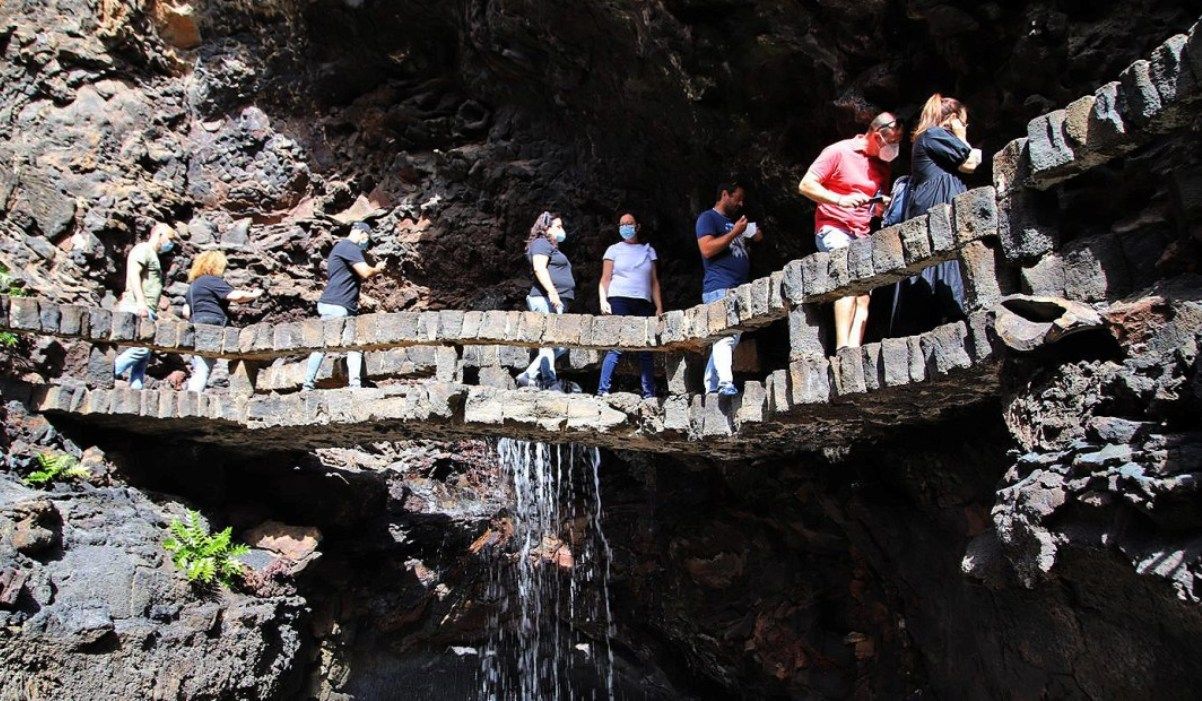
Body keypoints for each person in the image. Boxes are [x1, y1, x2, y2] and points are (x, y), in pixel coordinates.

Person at [798, 113, 901, 349]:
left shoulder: (882, 167)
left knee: (865, 291)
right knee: (847, 279)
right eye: (892, 142)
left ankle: (855, 350)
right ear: (877, 136)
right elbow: (806, 185)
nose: (894, 148)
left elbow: (875, 211)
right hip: (833, 227)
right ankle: (843, 347)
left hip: (861, 231)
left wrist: (882, 205)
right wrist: (840, 199)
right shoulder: (839, 151)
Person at [889, 94, 983, 336]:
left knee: (939, 264)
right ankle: (946, 314)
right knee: (939, 262)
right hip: (936, 203)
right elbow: (970, 163)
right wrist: (961, 135)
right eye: (963, 121)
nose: (965, 126)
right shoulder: (934, 135)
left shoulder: (929, 138)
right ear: (951, 119)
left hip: (933, 201)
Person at [696, 182, 764, 397]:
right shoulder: (708, 218)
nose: (741, 203)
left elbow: (759, 238)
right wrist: (735, 232)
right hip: (719, 286)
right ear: (725, 194)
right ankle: (725, 383)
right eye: (738, 198)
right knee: (724, 336)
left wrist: (750, 232)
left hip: (738, 289)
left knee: (730, 339)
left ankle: (712, 386)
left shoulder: (735, 224)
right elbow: (707, 249)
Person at [302, 222, 385, 391]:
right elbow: (365, 272)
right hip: (337, 305)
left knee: (324, 345)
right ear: (363, 234)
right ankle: (354, 385)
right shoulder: (349, 247)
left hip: (333, 303)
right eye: (367, 239)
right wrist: (378, 268)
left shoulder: (340, 247)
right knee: (351, 344)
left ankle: (308, 385)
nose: (366, 244)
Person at [597, 213, 663, 398]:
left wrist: (659, 307)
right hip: (619, 299)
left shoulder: (648, 251)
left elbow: (654, 282)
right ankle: (603, 390)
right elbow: (605, 278)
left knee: (645, 347)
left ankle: (648, 393)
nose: (626, 227)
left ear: (637, 226)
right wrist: (603, 300)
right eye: (622, 224)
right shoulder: (613, 250)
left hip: (643, 301)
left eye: (629, 224)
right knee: (617, 344)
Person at [182, 250, 264, 392]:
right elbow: (236, 296)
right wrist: (254, 294)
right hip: (213, 323)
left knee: (201, 367)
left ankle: (189, 397)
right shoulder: (211, 280)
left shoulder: (193, 286)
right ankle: (191, 399)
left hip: (195, 324)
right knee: (207, 368)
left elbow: (185, 312)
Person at [113, 223, 177, 389]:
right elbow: (134, 274)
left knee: (144, 357)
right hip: (137, 305)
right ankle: (110, 372)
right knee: (141, 349)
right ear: (159, 233)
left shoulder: (153, 254)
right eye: (169, 239)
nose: (170, 244)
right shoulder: (143, 249)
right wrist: (141, 303)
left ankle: (136, 390)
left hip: (147, 308)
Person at [515, 212, 574, 389]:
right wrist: (552, 293)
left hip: (554, 300)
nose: (562, 230)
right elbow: (540, 269)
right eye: (558, 226)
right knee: (549, 341)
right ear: (546, 228)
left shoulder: (551, 246)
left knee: (561, 345)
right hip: (544, 299)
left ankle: (528, 375)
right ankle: (550, 381)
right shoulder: (541, 243)